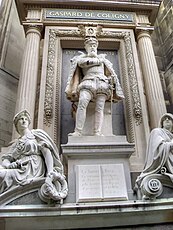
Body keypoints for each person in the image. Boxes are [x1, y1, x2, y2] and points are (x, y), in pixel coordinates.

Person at [0, 110, 68, 201]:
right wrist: (8, 165)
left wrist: (50, 172)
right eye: (21, 119)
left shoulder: (36, 134)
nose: (24, 121)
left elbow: (46, 152)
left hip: (33, 168)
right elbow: (6, 159)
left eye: (26, 119)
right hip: (19, 169)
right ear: (16, 125)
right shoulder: (15, 144)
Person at [65, 36, 124, 136]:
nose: (92, 47)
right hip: (88, 82)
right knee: (82, 102)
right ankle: (78, 131)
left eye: (94, 46)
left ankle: (97, 132)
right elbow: (83, 64)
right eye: (90, 46)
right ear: (86, 48)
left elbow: (109, 73)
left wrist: (111, 80)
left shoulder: (104, 60)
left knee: (100, 107)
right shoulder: (81, 59)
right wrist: (97, 60)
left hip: (102, 83)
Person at [136, 113, 173, 186]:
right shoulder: (157, 131)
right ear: (162, 123)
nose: (167, 120)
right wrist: (171, 144)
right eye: (164, 119)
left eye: (169, 118)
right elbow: (158, 149)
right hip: (162, 162)